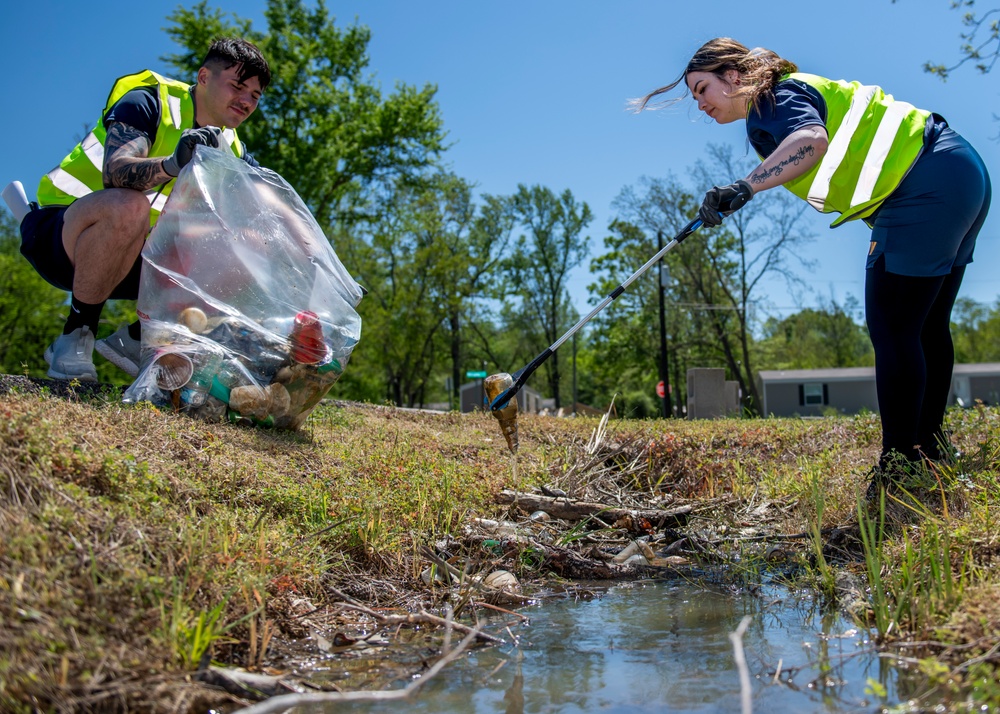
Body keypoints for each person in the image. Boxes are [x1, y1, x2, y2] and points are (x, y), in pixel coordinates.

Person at [633, 38, 991, 496]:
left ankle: (899, 467)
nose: (699, 104)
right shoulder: (785, 95)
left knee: (894, 328)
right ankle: (930, 449)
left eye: (702, 89)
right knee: (924, 326)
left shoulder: (771, 99)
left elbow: (811, 140)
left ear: (733, 77)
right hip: (959, 169)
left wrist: (743, 187)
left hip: (921, 186)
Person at [19, 37, 271, 381]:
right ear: (203, 77)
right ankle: (76, 335)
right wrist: (171, 163)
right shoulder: (150, 101)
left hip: (136, 262)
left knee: (249, 241)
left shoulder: (233, 149)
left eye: (255, 96)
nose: (246, 101)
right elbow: (115, 173)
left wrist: (322, 268)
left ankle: (137, 339)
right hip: (63, 238)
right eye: (238, 86)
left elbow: (273, 208)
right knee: (129, 203)